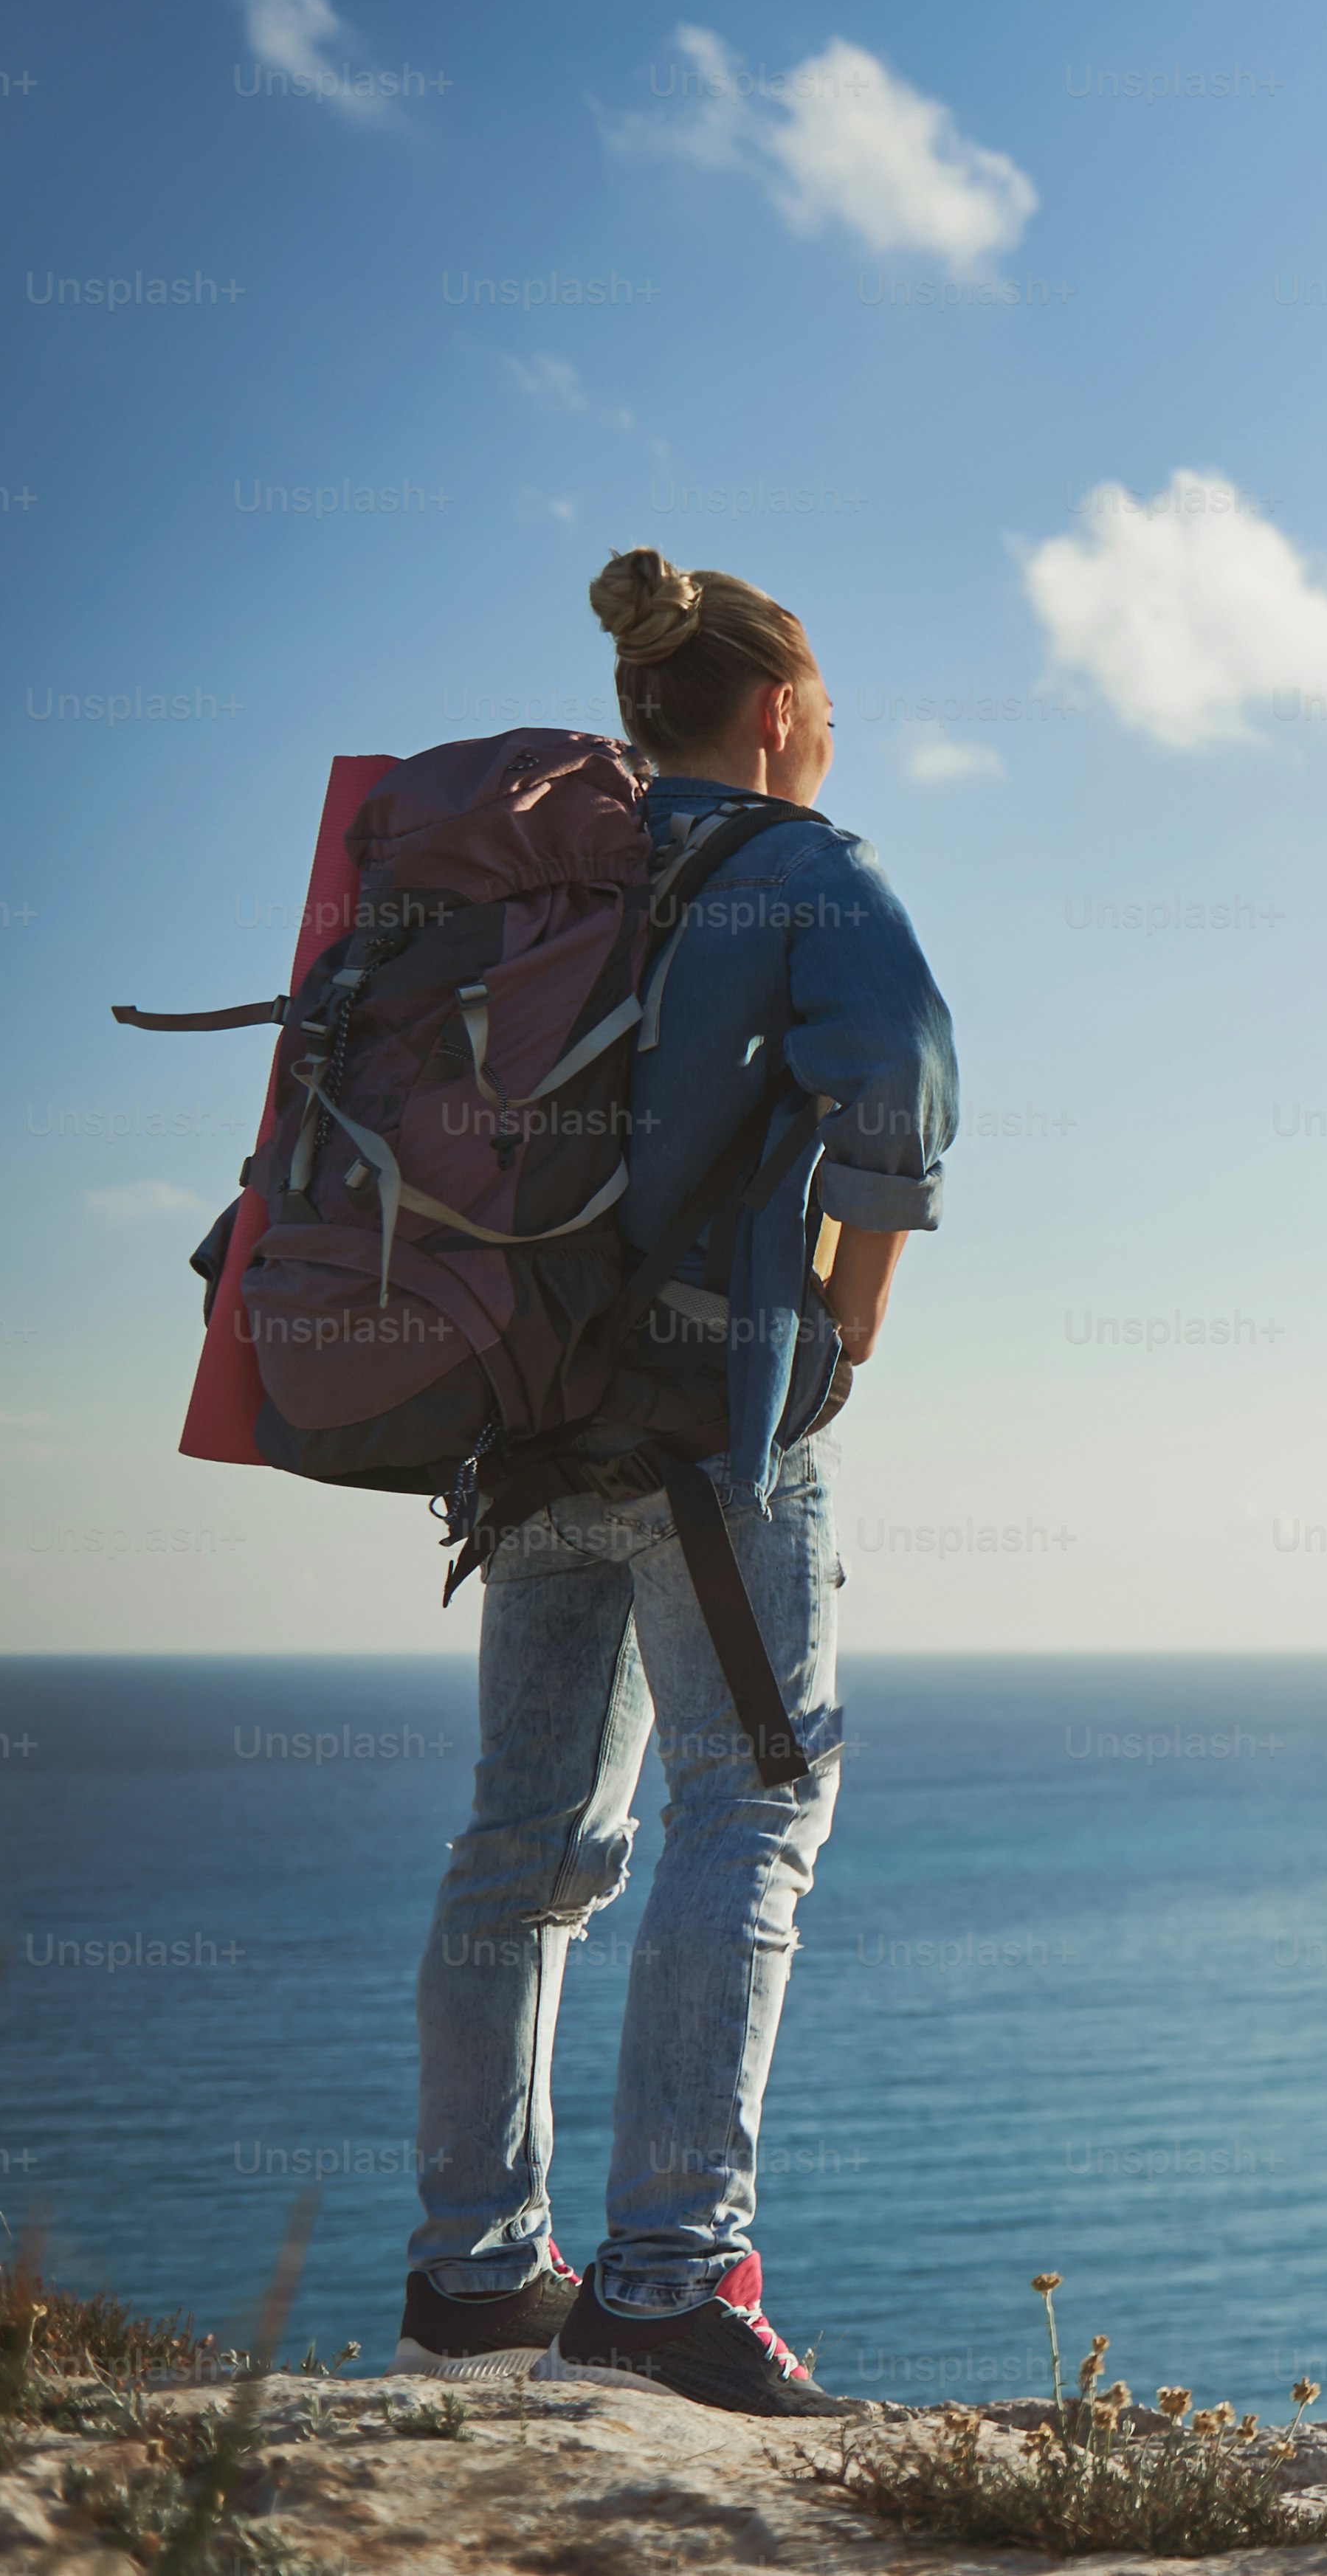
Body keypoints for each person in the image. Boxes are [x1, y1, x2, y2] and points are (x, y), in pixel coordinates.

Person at [388, 549, 957, 2414]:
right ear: (779, 713)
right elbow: (900, 1092)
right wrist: (850, 1322)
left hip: (522, 1407)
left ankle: (476, 2268)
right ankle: (668, 2275)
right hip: (717, 1415)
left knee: (523, 1846)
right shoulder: (802, 867)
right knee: (750, 1814)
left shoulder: (551, 879)